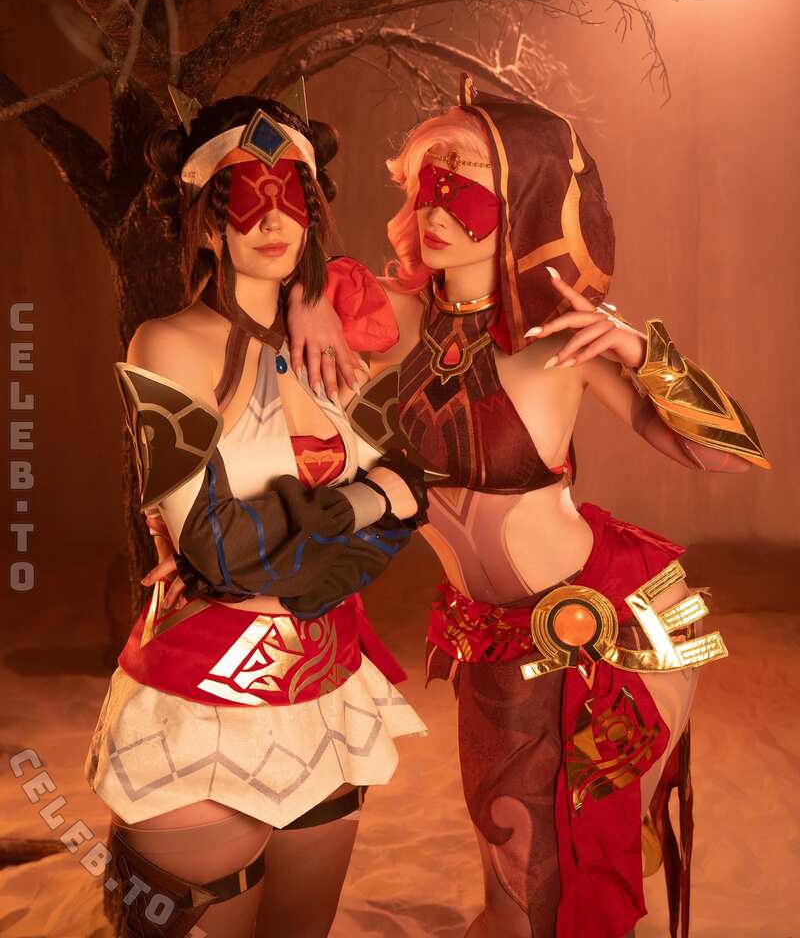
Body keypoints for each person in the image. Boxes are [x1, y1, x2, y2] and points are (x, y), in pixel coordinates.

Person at [278, 76, 770, 938]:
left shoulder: (561, 335)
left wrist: (640, 350)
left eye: (461, 186)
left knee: (553, 872)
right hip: (483, 637)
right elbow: (275, 310)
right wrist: (304, 298)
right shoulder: (392, 316)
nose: (433, 209)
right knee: (505, 849)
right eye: (424, 185)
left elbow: (728, 454)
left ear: (527, 199)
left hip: (590, 634)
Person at [84, 93, 429, 938]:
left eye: (291, 196)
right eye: (244, 196)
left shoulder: (332, 344)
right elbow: (224, 553)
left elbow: (412, 500)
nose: (272, 218)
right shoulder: (166, 345)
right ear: (205, 221)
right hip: (198, 702)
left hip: (330, 695)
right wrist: (376, 498)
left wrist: (336, 529)